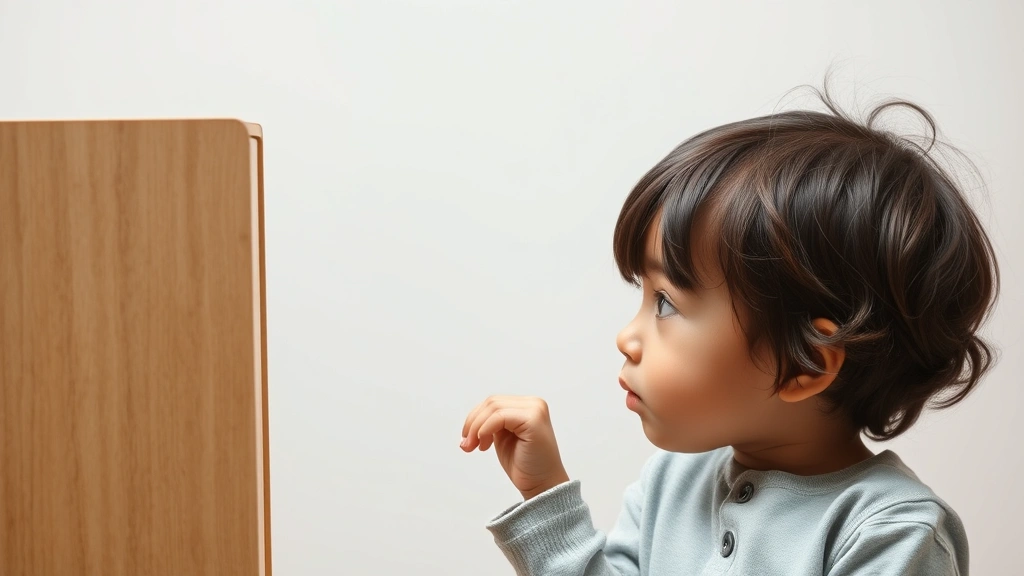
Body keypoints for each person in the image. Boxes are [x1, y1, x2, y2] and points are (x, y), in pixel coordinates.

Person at [459, 85, 1000, 575]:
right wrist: (546, 495)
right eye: (642, 296)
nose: (627, 337)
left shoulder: (890, 537)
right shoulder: (673, 481)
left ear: (805, 364)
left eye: (666, 304)